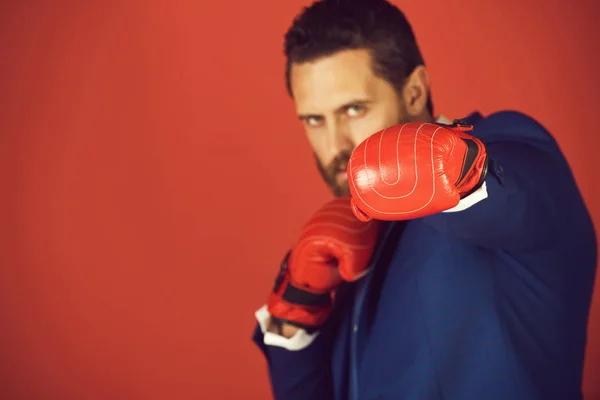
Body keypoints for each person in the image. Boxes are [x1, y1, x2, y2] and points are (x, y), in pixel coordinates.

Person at [251, 0, 598, 399]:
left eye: (353, 109)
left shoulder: (505, 155)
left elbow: (525, 197)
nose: (335, 145)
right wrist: (300, 305)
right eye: (314, 119)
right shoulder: (351, 242)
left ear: (415, 91)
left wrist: (458, 170)